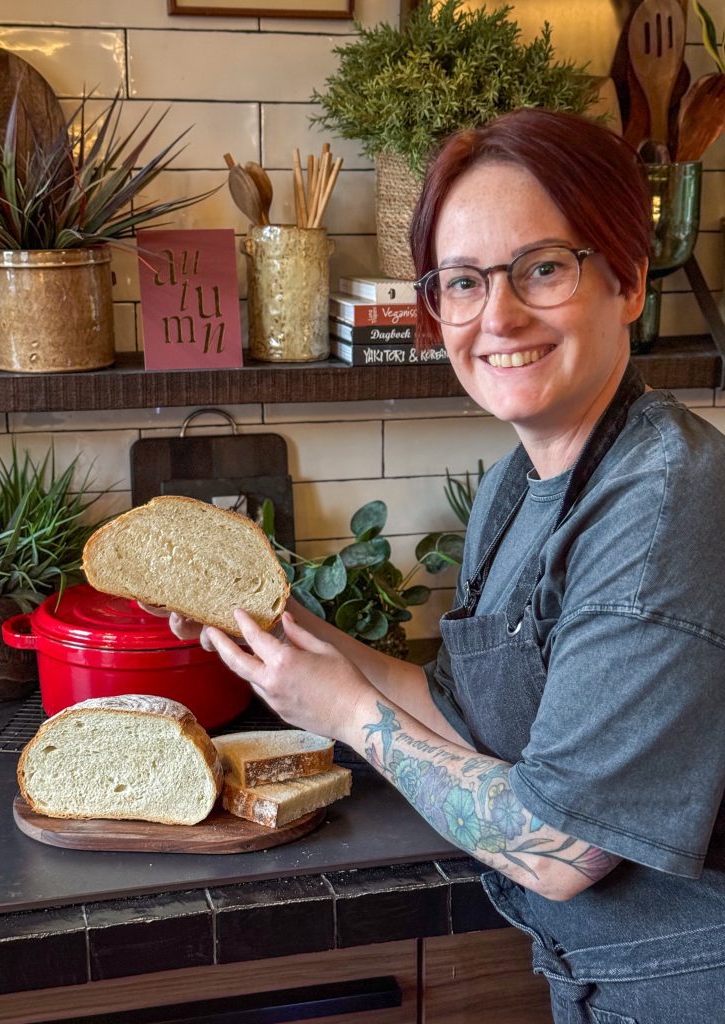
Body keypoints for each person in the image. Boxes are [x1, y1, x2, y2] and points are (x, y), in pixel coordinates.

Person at [172, 109, 725, 1022]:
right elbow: (468, 720)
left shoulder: (660, 506)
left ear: (627, 280)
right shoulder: (525, 483)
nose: (497, 316)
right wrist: (292, 639)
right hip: (604, 982)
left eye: (542, 268)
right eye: (463, 283)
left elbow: (561, 848)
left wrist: (345, 713)